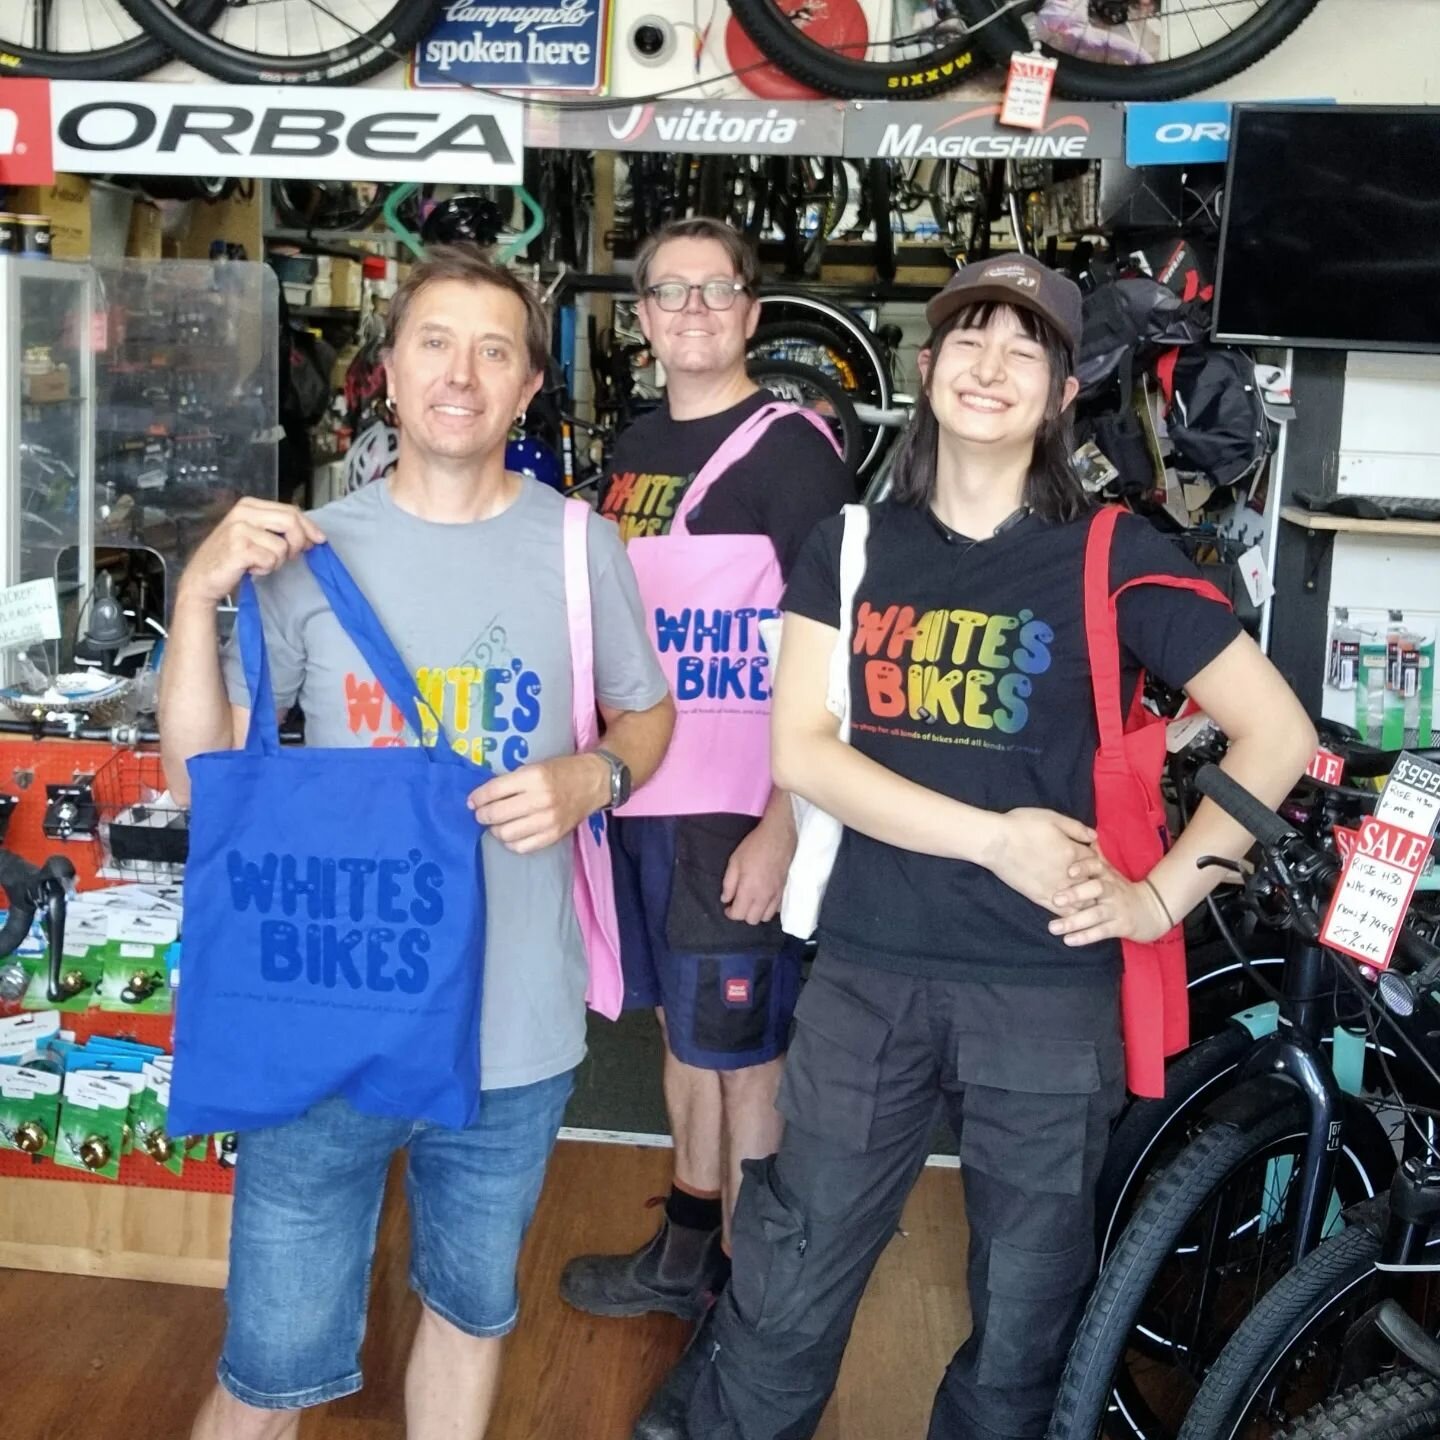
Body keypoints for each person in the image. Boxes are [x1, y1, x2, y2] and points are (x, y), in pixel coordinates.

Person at [641, 253, 1319, 1440]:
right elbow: (801, 751)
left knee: (1022, 1316)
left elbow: (1277, 731)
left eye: (1024, 348)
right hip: (866, 975)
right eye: (968, 339)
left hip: (1048, 1000)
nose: (991, 365)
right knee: (787, 1286)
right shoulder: (852, 546)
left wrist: (1160, 899)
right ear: (926, 366)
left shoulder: (1110, 555)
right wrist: (993, 839)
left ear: (1063, 394)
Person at [158, 246, 675, 1440]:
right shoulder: (307, 551)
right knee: (268, 1363)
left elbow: (649, 713)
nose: (461, 372)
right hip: (330, 1017)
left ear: (530, 387)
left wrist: (592, 774)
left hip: (516, 1029)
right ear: (387, 372)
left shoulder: (579, 546)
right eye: (435, 342)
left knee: (471, 1311)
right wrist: (197, 597)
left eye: (495, 350)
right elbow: (203, 778)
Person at [560, 219, 855, 1330]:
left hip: (737, 809)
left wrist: (786, 822)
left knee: (748, 1060)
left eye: (715, 290)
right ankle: (686, 1248)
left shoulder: (793, 451)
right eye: (669, 294)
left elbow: (839, 649)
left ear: (752, 310)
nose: (692, 310)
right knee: (683, 1042)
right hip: (641, 799)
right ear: (639, 319)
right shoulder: (635, 445)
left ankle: (753, 1304)